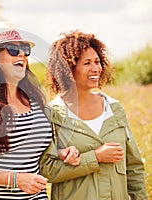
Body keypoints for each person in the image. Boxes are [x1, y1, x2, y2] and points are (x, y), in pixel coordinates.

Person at [0, 21, 80, 200]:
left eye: (24, 50)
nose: (21, 54)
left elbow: (31, 151)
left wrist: (62, 153)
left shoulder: (35, 101)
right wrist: (16, 180)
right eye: (13, 49)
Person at [39, 30, 148, 200]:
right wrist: (95, 158)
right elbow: (47, 170)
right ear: (68, 69)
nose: (95, 68)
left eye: (97, 62)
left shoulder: (114, 108)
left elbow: (133, 167)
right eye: (87, 63)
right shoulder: (51, 114)